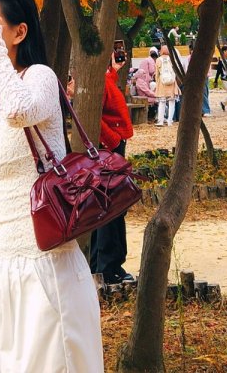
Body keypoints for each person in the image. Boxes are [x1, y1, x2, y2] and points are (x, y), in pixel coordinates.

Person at [0, 0, 103, 372]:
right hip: (4, 269)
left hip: (48, 270)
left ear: (18, 32)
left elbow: (19, 112)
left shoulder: (38, 77)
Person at [91, 52, 134, 284]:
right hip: (108, 149)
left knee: (111, 204)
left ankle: (105, 264)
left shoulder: (104, 79)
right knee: (110, 205)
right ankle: (108, 266)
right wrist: (113, 141)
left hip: (112, 146)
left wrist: (114, 69)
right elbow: (93, 115)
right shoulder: (93, 82)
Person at [155, 45, 179, 126]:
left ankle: (160, 121)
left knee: (162, 103)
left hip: (162, 82)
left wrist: (157, 81)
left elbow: (157, 73)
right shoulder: (172, 59)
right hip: (172, 82)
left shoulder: (158, 60)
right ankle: (170, 121)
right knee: (172, 102)